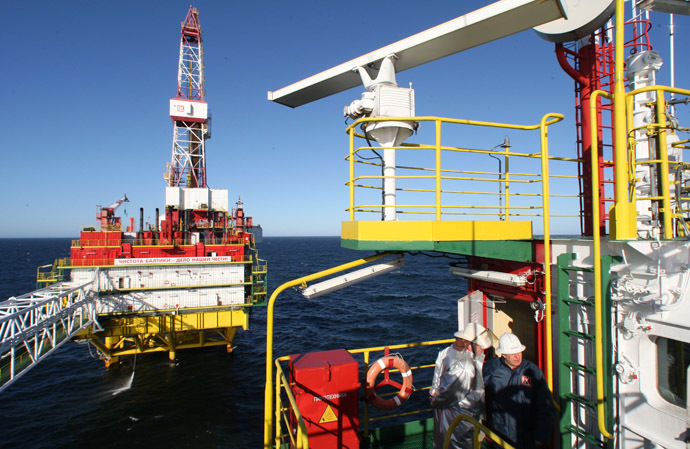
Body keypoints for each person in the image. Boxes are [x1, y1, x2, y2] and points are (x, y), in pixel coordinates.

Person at [483, 333, 555, 449]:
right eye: (513, 354)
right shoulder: (491, 369)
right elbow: (479, 395)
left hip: (527, 436)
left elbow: (545, 405)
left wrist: (541, 436)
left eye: (519, 352)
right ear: (504, 355)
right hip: (499, 435)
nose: (517, 356)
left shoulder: (532, 371)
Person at [430, 323, 493, 449]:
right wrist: (436, 400)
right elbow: (450, 393)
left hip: (453, 413)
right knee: (458, 443)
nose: (481, 348)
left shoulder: (450, 354)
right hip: (460, 414)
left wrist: (435, 399)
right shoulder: (464, 366)